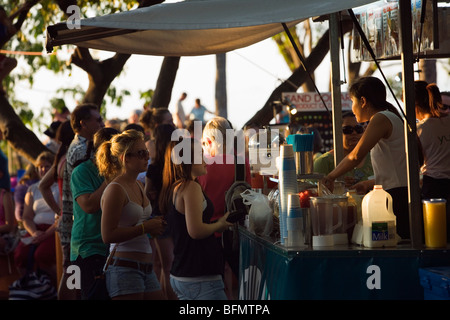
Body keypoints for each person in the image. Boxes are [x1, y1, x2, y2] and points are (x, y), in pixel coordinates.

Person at [322, 76, 409, 239]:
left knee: (393, 245)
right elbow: (395, 168)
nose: (353, 109)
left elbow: (355, 156)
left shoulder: (381, 118)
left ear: (363, 101)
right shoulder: (390, 117)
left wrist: (330, 177)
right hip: (395, 194)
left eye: (353, 102)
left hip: (398, 198)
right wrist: (368, 184)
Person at [159, 137, 233, 300]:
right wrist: (219, 224)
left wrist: (215, 225)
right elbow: (196, 231)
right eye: (200, 154)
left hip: (186, 275)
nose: (206, 158)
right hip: (199, 277)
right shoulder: (190, 187)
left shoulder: (177, 186)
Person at [96, 129, 166, 300]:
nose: (147, 157)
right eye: (141, 153)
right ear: (125, 158)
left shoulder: (138, 185)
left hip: (146, 268)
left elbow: (135, 223)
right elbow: (108, 235)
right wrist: (145, 228)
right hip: (124, 269)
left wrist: (152, 226)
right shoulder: (115, 189)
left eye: (147, 152)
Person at [197, 117, 251, 299]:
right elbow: (248, 197)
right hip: (235, 232)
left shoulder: (200, 165)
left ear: (209, 140)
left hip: (206, 233)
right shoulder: (241, 163)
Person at [70, 127, 119, 300]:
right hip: (88, 249)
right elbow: (89, 205)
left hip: (113, 246)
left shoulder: (121, 172)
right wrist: (110, 178)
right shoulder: (81, 171)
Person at [14, 151, 58, 284]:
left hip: (53, 230)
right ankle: (33, 287)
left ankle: (55, 288)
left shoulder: (59, 187)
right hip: (36, 230)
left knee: (42, 255)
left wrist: (46, 234)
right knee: (20, 254)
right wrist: (34, 233)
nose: (43, 169)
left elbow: (62, 215)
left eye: (47, 166)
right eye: (41, 166)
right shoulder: (32, 189)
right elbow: (26, 217)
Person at [144, 124, 177, 300]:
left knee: (166, 266)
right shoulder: (177, 165)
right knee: (171, 265)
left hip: (159, 216)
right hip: (176, 215)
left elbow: (146, 193)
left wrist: (154, 193)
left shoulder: (154, 166)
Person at [414, 81, 450, 240]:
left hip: (433, 185)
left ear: (414, 106)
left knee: (435, 235)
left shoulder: (420, 129)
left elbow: (419, 162)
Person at [314, 112, 374, 191]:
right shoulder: (324, 162)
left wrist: (368, 184)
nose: (354, 133)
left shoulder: (374, 158)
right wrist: (337, 186)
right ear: (337, 133)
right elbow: (314, 191)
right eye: (348, 130)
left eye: (358, 129)